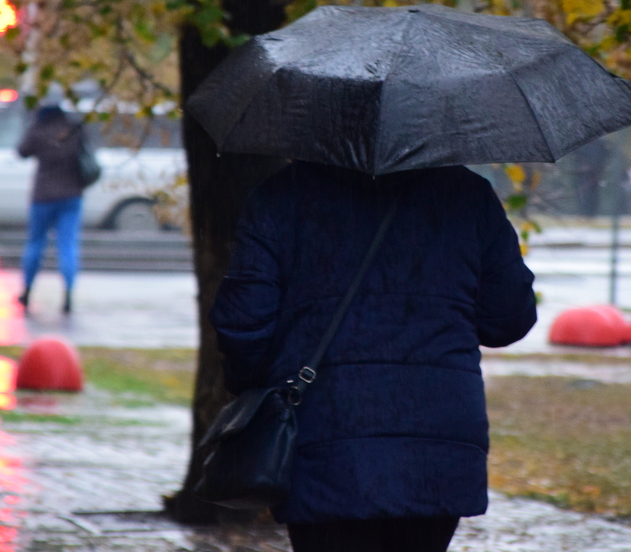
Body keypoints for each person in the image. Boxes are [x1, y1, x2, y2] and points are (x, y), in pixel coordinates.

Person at [211, 162, 537, 552]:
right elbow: (508, 319)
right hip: (436, 437)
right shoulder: (467, 194)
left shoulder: (283, 195)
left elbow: (243, 321)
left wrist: (251, 391)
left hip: (324, 428)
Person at [16, 104, 87, 314]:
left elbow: (21, 151)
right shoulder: (74, 127)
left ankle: (27, 291)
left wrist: (32, 127)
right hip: (72, 195)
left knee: (35, 244)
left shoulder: (39, 129)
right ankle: (68, 295)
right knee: (68, 246)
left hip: (43, 196)